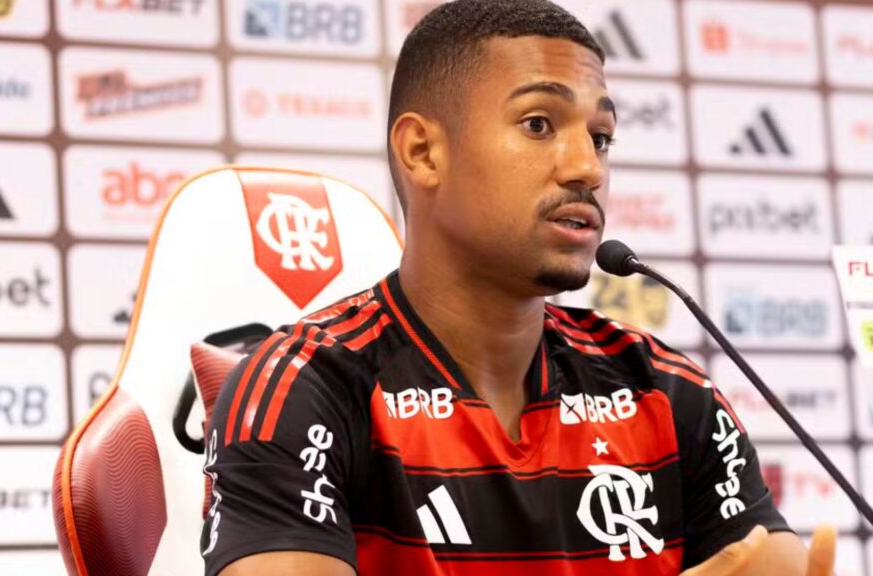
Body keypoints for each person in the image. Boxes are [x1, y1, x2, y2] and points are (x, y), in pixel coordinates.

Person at [201, 1, 836, 574]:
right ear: (423, 152)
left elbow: (769, 563)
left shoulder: (668, 394)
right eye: (538, 124)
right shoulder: (304, 386)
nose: (587, 166)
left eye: (601, 137)